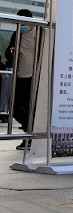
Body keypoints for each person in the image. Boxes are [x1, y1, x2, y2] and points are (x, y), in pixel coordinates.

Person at [4, 9, 37, 150]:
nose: (21, 25)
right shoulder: (17, 33)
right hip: (19, 76)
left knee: (30, 109)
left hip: (33, 77)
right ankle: (29, 133)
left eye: (23, 22)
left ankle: (29, 138)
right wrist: (12, 52)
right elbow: (8, 52)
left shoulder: (40, 33)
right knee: (15, 108)